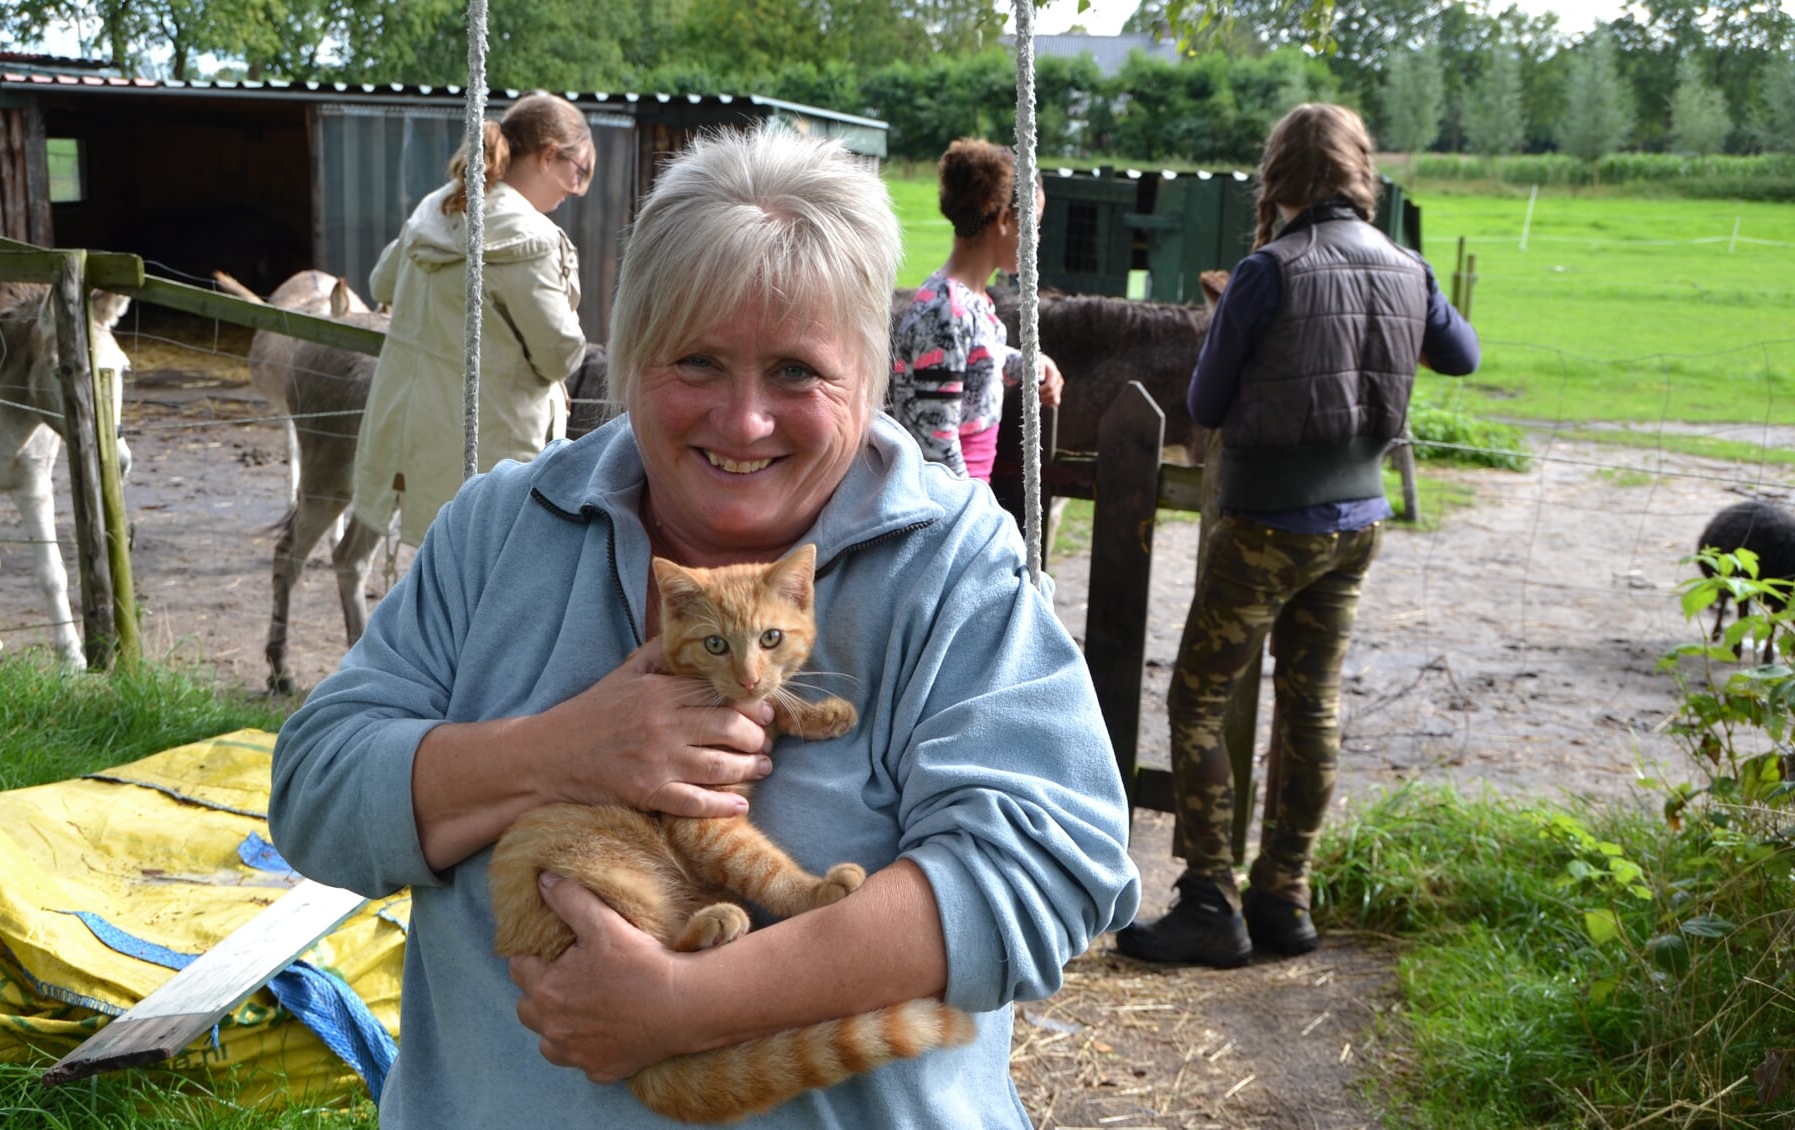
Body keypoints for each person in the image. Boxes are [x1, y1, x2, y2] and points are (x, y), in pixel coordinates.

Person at [270, 128, 1140, 1127]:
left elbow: (1049, 865)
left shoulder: (948, 563)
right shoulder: (502, 526)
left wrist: (690, 1005)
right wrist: (567, 749)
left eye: (797, 372)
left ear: (868, 371)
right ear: (632, 354)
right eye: (696, 360)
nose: (743, 419)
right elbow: (315, 790)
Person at [1115, 103, 1480, 969]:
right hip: (1357, 521)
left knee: (1198, 699)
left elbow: (1204, 405)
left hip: (1266, 524)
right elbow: (1461, 355)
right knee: (1311, 701)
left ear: (1276, 177)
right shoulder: (1407, 266)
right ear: (1360, 172)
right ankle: (1286, 896)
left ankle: (1212, 901)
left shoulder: (1267, 271)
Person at [351, 91, 594, 547]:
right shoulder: (535, 240)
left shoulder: (438, 206)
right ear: (547, 157)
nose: (574, 191)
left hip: (413, 440)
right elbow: (560, 355)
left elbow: (381, 285)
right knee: (489, 578)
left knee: (437, 573)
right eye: (578, 173)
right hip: (491, 455)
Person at [888, 138, 1063, 502]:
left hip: (962, 500)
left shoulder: (969, 303)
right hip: (944, 512)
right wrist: (977, 516)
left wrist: (1033, 364)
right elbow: (935, 444)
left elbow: (978, 364)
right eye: (1034, 225)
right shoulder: (945, 311)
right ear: (1003, 220)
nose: (1037, 239)